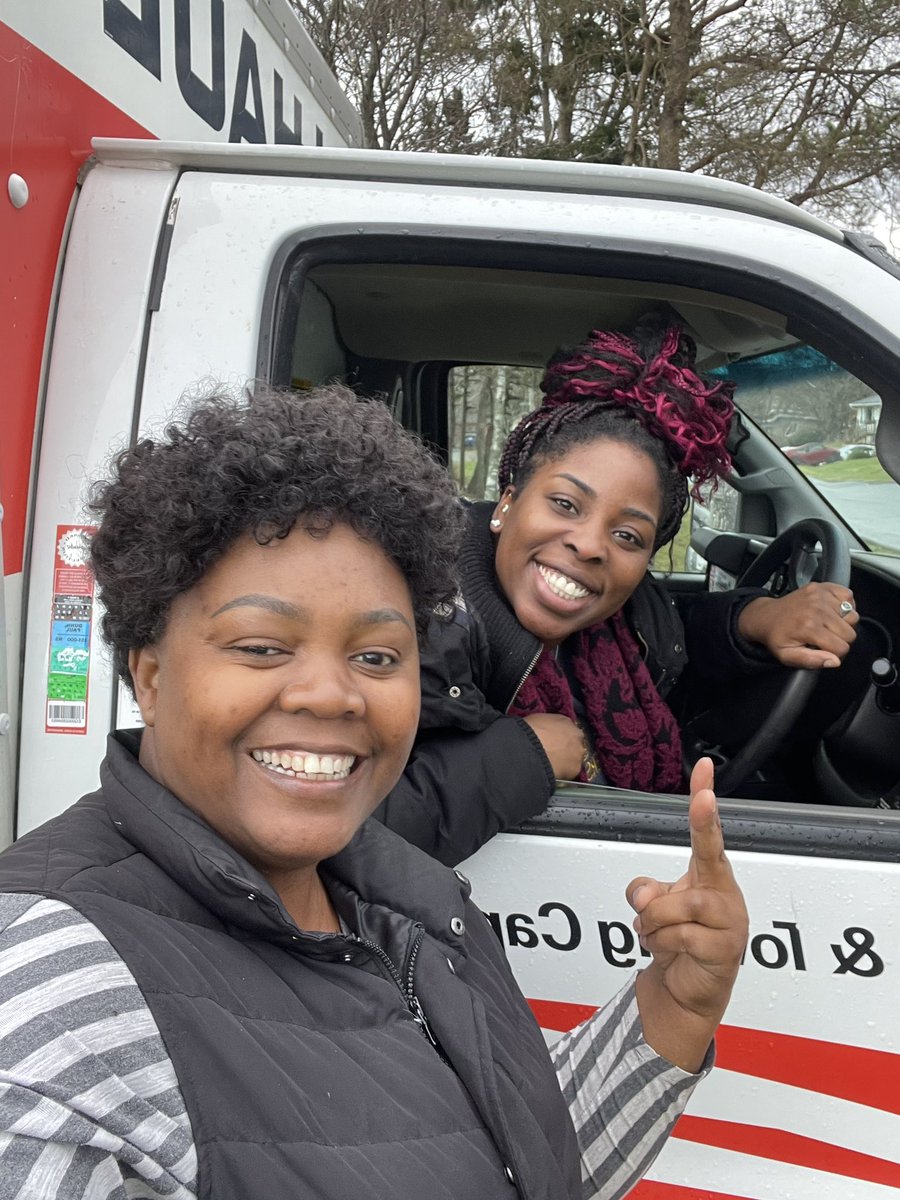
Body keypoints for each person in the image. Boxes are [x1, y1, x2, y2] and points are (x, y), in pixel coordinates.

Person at [0, 384, 747, 1200]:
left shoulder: (409, 900)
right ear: (148, 674)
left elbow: (510, 1160)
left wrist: (673, 1005)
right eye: (260, 645)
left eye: (378, 657)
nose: (331, 695)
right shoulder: (52, 1010)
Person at [376, 314, 858, 862]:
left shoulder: (621, 613)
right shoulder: (419, 623)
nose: (590, 545)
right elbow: (346, 830)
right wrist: (520, 757)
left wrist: (752, 624)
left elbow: (675, 634)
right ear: (508, 502)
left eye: (628, 535)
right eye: (564, 504)